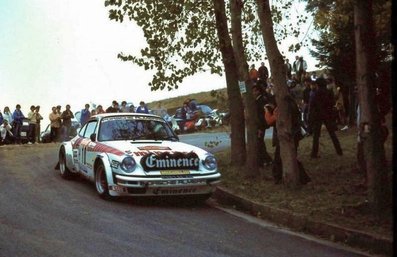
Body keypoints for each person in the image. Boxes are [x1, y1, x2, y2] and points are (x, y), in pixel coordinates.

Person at [264, 96, 310, 185]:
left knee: (280, 157)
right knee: (291, 155)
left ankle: (278, 177)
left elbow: (270, 121)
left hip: (287, 135)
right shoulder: (292, 106)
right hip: (294, 133)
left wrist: (266, 112)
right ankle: (302, 178)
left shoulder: (279, 109)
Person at [308, 77, 343, 158]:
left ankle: (314, 153)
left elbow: (312, 106)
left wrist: (310, 117)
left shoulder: (315, 93)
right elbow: (332, 102)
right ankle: (339, 150)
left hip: (318, 115)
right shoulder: (328, 92)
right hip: (327, 115)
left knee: (316, 136)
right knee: (332, 134)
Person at [252, 84, 274, 167]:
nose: (253, 93)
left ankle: (266, 160)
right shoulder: (258, 100)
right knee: (260, 143)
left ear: (258, 91)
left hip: (261, 125)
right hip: (260, 124)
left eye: (254, 91)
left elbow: (262, 115)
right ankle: (265, 160)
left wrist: (260, 127)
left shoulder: (261, 100)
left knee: (260, 142)